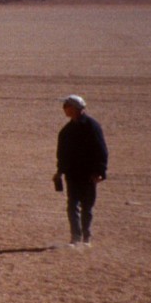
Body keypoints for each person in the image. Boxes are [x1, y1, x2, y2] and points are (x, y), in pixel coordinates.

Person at [53, 94, 108, 246]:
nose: (63, 108)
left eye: (66, 105)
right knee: (72, 205)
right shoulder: (66, 131)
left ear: (74, 108)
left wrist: (100, 173)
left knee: (87, 207)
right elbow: (62, 154)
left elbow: (101, 150)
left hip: (89, 174)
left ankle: (86, 238)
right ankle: (76, 238)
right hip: (72, 174)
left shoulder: (92, 126)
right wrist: (60, 171)